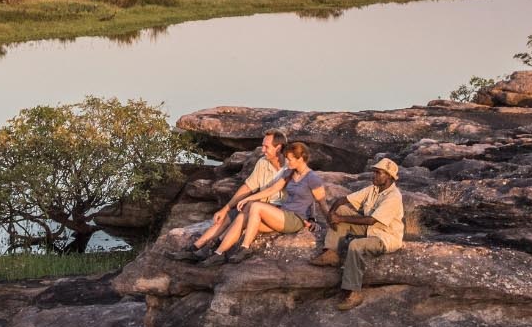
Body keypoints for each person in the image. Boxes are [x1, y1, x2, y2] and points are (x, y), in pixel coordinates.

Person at [194, 141, 327, 267]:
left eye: (290, 159)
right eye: (286, 158)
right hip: (281, 215)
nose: (287, 161)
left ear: (301, 159)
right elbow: (272, 189)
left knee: (256, 206)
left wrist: (324, 222)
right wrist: (248, 199)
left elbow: (321, 202)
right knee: (241, 217)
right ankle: (219, 253)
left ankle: (245, 248)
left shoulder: (312, 179)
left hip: (295, 219)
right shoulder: (289, 173)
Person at [166, 128, 288, 262]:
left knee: (241, 216)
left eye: (266, 146)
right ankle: (194, 249)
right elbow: (248, 187)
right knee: (226, 217)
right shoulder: (263, 162)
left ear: (278, 148)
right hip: (257, 206)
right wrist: (226, 208)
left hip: (275, 212)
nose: (263, 150)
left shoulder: (290, 167)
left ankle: (214, 251)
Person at [313, 158, 405, 311]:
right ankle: (331, 252)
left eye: (378, 173)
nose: (373, 175)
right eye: (374, 172)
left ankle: (354, 292)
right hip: (370, 230)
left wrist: (339, 218)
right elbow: (344, 200)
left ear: (389, 176)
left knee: (355, 245)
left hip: (385, 237)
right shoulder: (373, 189)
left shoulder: (393, 197)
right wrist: (332, 213)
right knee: (342, 210)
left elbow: (370, 220)